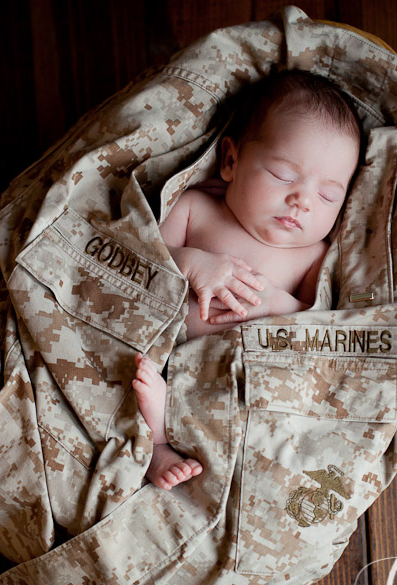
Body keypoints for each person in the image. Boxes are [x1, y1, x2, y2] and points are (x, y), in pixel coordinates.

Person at [133, 69, 363, 490]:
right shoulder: (195, 209)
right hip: (170, 354)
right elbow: (143, 266)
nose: (303, 200)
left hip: (243, 382)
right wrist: (191, 261)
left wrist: (276, 303)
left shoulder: (314, 256)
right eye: (283, 174)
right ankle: (157, 446)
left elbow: (316, 328)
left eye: (329, 195)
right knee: (139, 377)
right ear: (231, 161)